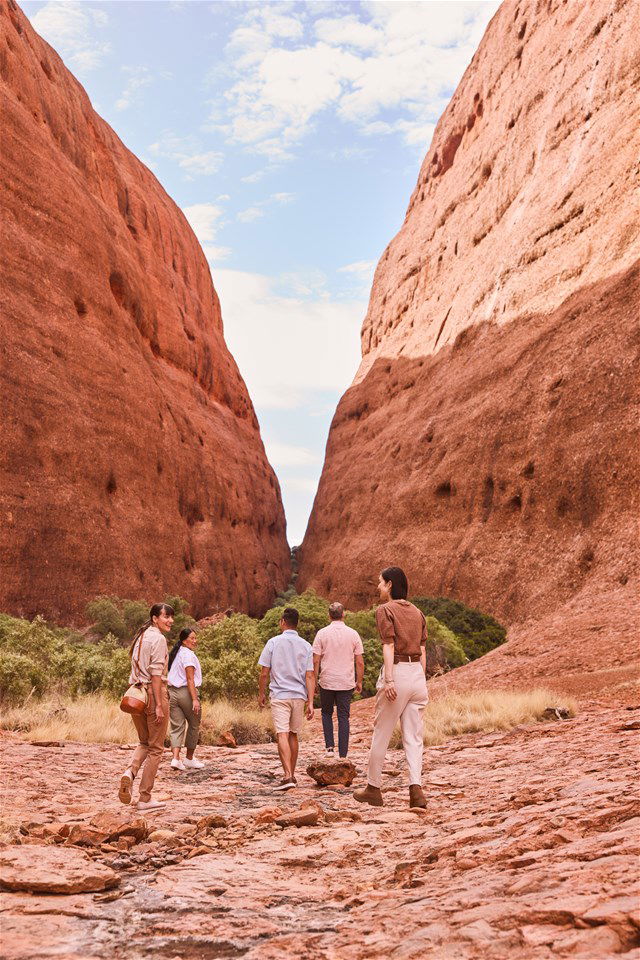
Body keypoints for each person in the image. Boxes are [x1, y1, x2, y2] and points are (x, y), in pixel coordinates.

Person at [353, 567, 429, 809]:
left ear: (390, 585)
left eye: (380, 582)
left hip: (397, 671)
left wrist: (389, 680)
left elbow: (388, 646)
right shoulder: (418, 613)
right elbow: (423, 649)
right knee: (414, 738)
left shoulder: (385, 610)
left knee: (382, 732)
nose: (378, 587)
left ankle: (373, 788)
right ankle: (416, 791)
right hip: (417, 674)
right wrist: (421, 680)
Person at [118, 602, 174, 811]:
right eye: (165, 616)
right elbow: (156, 674)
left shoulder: (140, 637)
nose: (170, 620)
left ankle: (129, 773)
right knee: (156, 748)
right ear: (154, 618)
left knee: (144, 741)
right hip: (153, 693)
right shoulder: (158, 639)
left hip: (137, 694)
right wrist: (159, 704)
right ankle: (144, 797)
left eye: (171, 617)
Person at [258, 607, 314, 790]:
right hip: (299, 696)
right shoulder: (306, 645)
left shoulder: (273, 643)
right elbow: (310, 675)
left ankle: (288, 775)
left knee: (282, 733)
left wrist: (261, 694)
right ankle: (292, 774)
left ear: (282, 621)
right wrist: (311, 701)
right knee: (293, 734)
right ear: (297, 624)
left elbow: (264, 673)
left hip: (280, 694)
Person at [312, 602, 364, 758]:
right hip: (346, 682)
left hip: (326, 680)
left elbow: (315, 660)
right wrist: (359, 681)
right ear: (344, 615)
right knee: (343, 717)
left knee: (326, 713)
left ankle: (329, 748)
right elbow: (359, 661)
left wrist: (314, 681)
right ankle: (343, 754)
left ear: (329, 616)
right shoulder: (353, 634)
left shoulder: (322, 633)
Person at [168, 627, 205, 771]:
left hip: (172, 693)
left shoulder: (176, 653)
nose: (195, 641)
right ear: (184, 640)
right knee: (194, 724)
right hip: (186, 693)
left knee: (176, 726)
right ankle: (189, 759)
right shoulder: (188, 655)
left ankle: (176, 759)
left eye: (196, 638)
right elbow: (190, 679)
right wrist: (195, 699)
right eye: (192, 638)